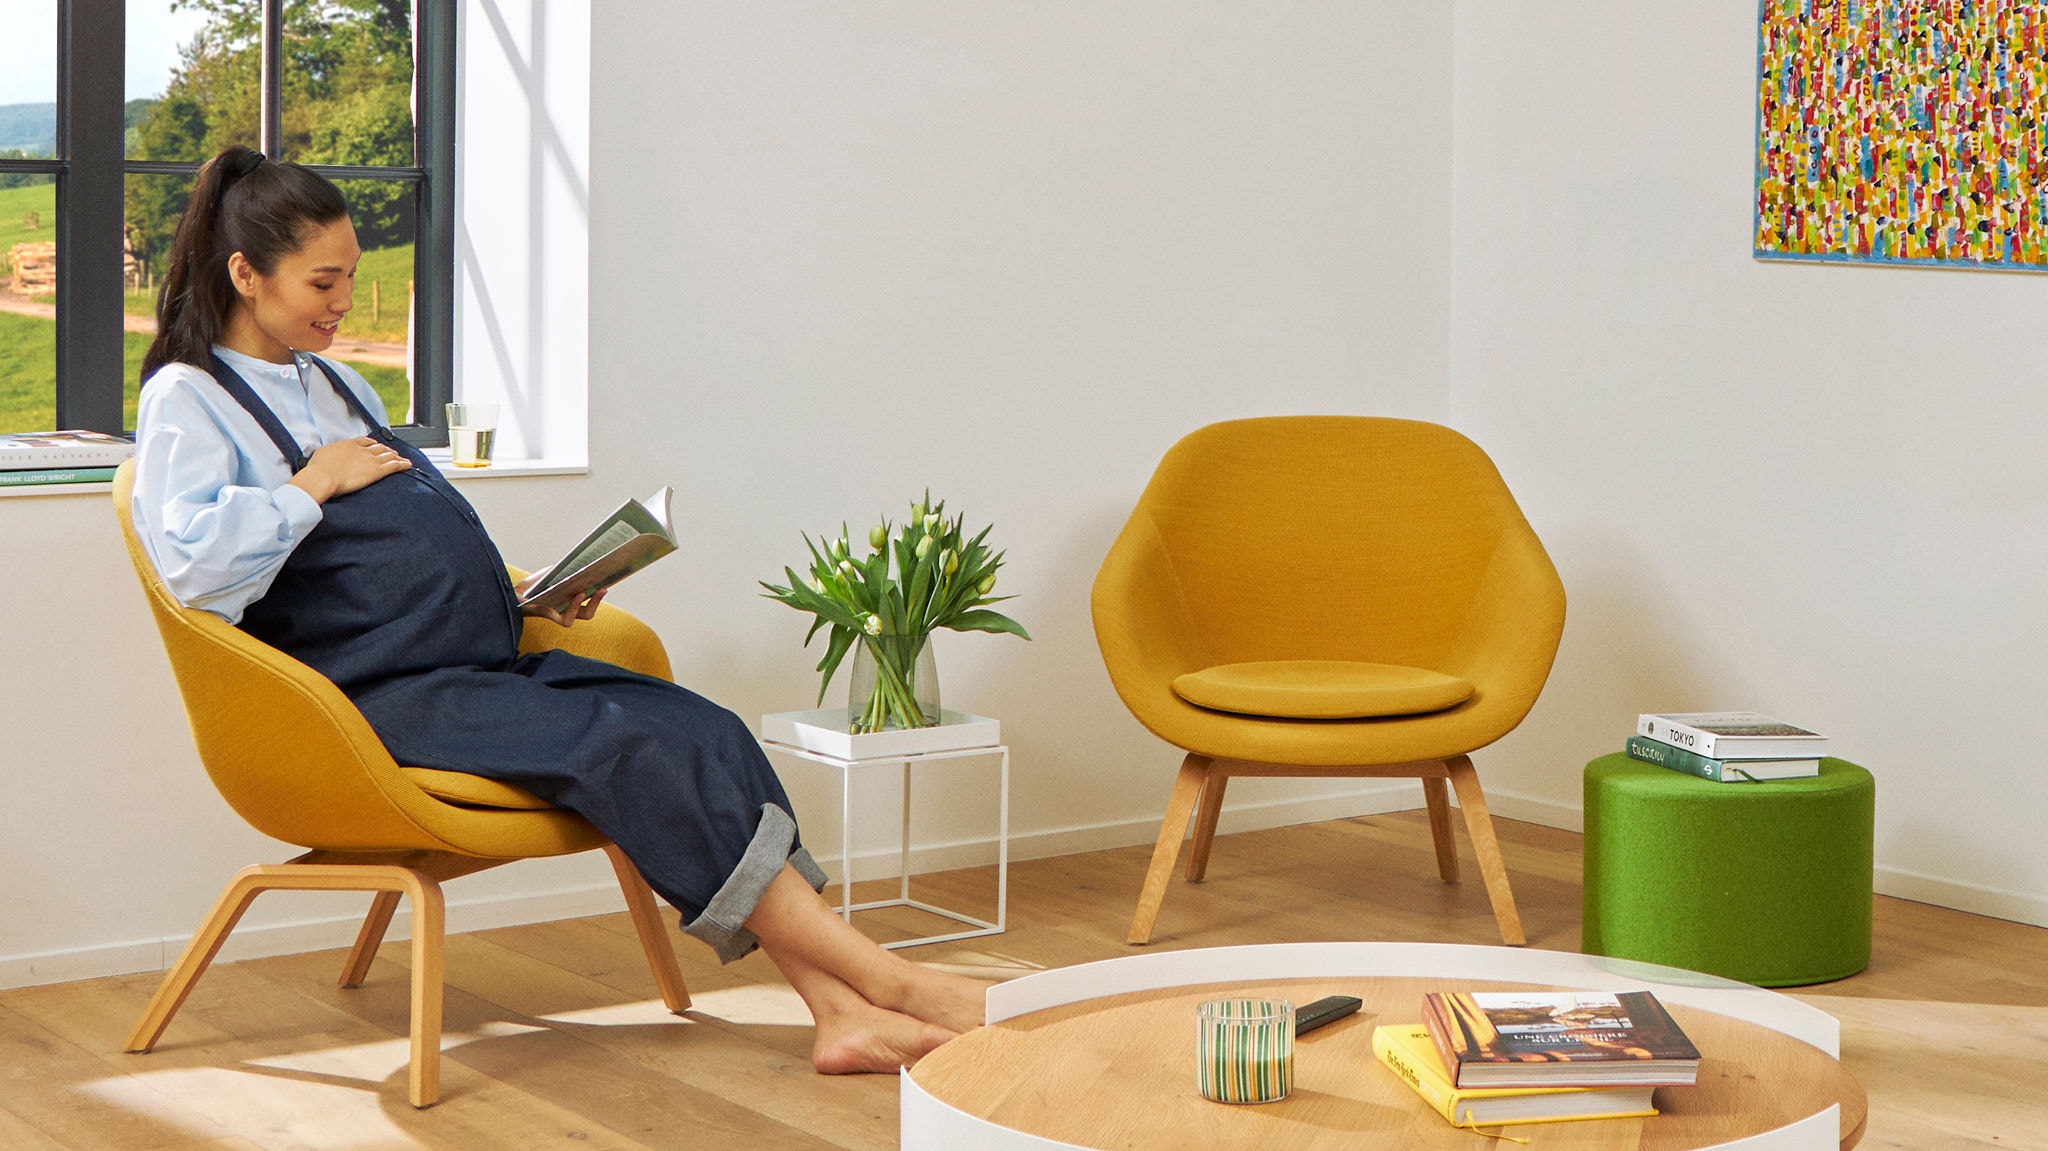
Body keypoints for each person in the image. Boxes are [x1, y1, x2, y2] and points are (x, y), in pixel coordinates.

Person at [131, 145, 983, 1074]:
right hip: (368, 700)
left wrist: (527, 590)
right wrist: (313, 481)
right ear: (245, 274)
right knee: (626, 745)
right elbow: (195, 573)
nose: (342, 302)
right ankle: (894, 982)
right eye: (322, 282)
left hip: (469, 670)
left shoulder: (338, 384)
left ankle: (838, 1011)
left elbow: (392, 557)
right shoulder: (190, 398)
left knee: (702, 727)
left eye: (350, 277)